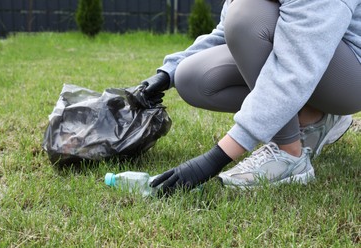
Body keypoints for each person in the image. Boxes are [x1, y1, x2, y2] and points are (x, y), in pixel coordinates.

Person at [139, 0, 361, 195]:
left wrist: (216, 158)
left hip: (351, 75)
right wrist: (167, 73)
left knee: (247, 15)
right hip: (308, 56)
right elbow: (225, 31)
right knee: (191, 77)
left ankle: (290, 155)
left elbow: (293, 70)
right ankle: (315, 119)